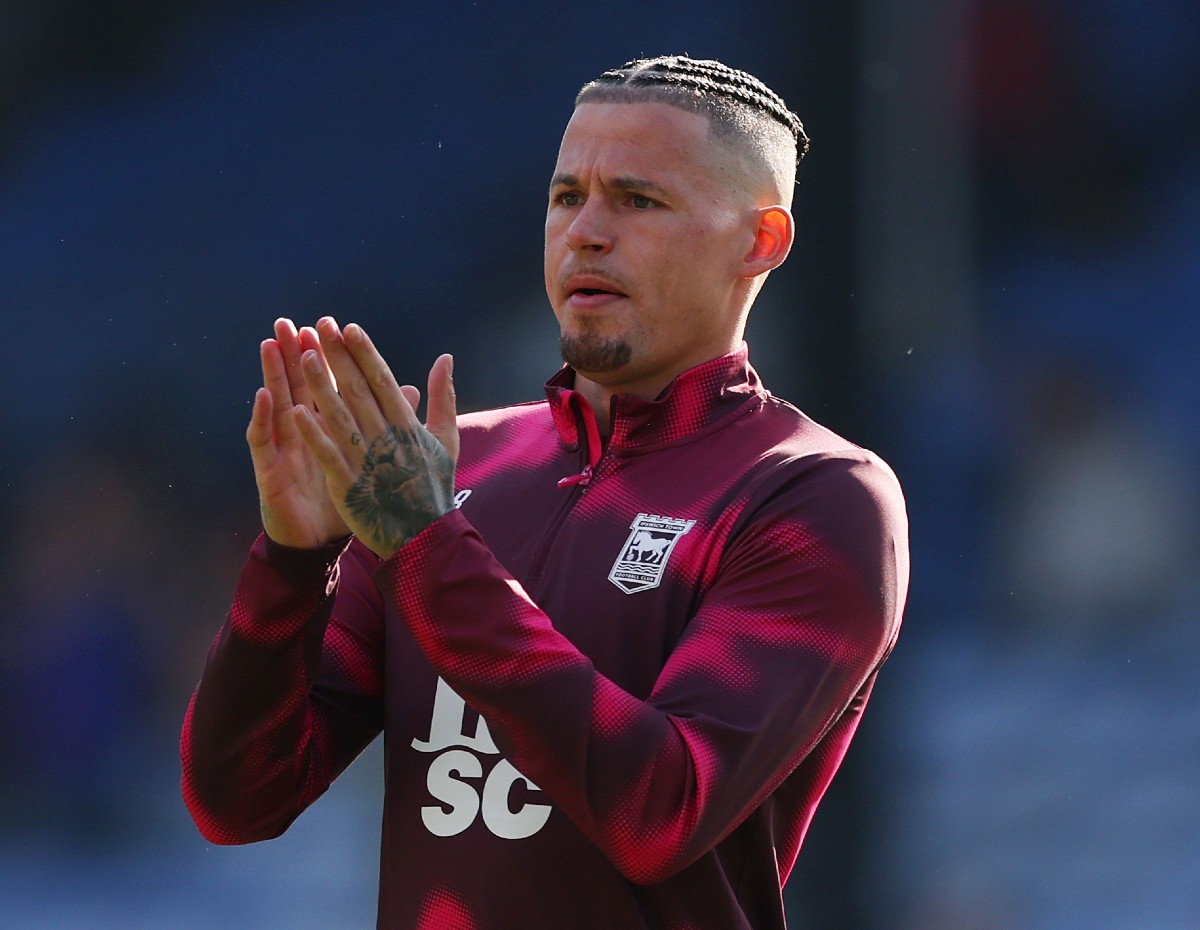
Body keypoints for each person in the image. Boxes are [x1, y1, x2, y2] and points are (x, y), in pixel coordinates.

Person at [181, 55, 909, 930]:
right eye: (568, 196)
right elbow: (237, 802)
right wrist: (295, 564)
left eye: (638, 200)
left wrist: (425, 544)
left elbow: (658, 814)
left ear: (760, 241)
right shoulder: (451, 474)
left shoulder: (815, 496)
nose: (586, 233)